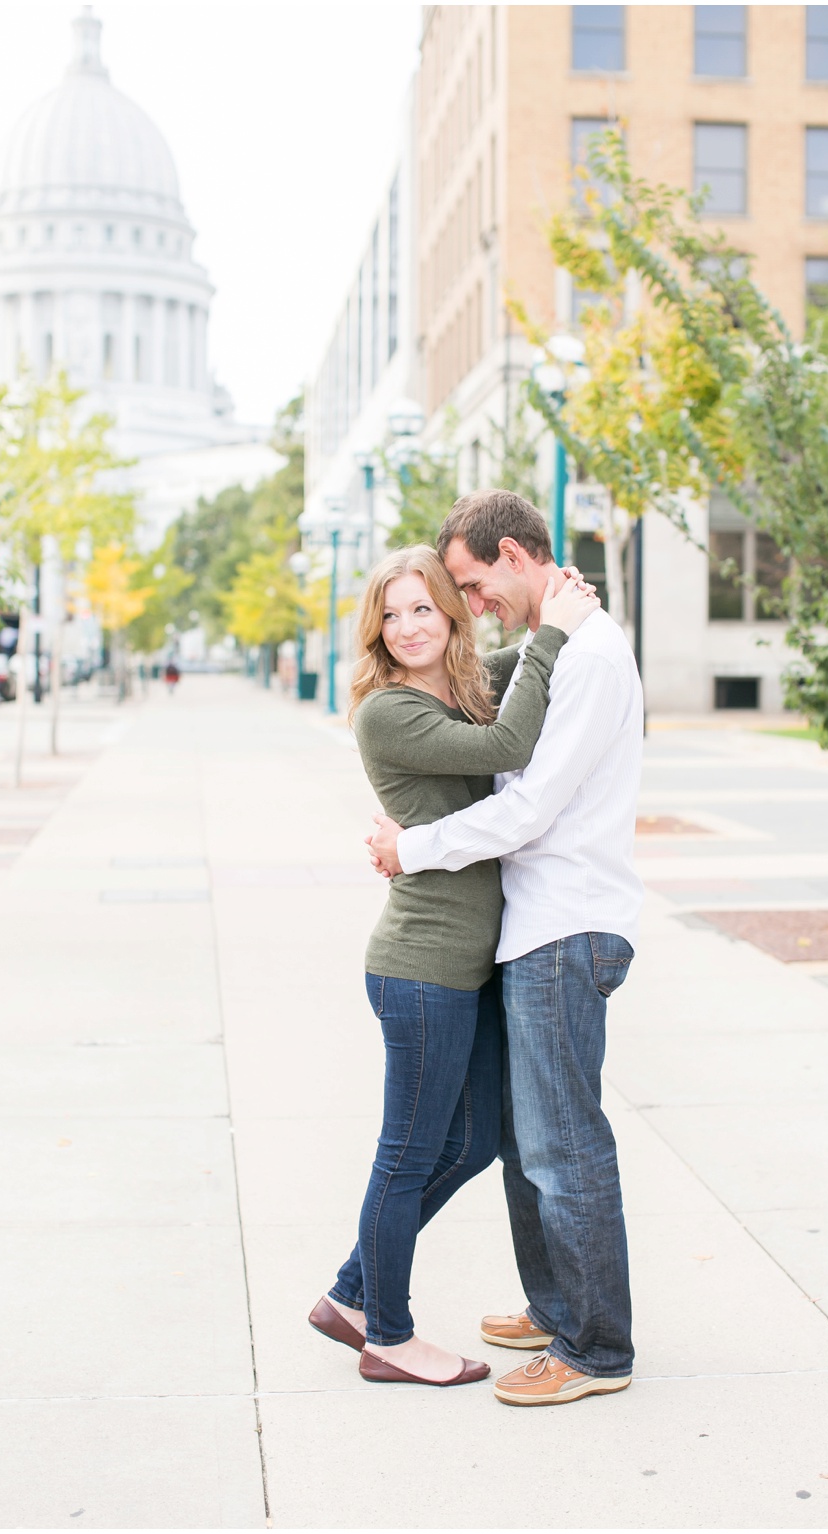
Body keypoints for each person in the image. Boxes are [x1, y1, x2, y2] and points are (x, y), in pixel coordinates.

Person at [366, 490, 646, 1409]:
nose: (470, 605)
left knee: (564, 1148)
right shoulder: (557, 645)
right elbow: (493, 693)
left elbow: (529, 807)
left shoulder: (590, 656)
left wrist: (412, 847)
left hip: (565, 926)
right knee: (533, 1144)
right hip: (535, 928)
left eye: (475, 585)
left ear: (519, 556)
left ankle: (595, 1347)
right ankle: (559, 1304)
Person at [308, 543, 597, 1388]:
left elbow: (500, 665)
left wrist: (553, 608)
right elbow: (510, 735)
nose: (405, 628)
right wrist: (552, 639)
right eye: (390, 615)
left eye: (423, 608)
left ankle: (353, 1293)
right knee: (406, 1152)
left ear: (450, 611)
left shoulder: (455, 685)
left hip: (459, 970)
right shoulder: (389, 712)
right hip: (421, 968)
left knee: (468, 1144)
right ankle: (386, 1336)